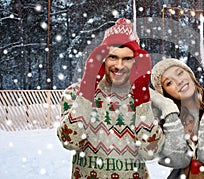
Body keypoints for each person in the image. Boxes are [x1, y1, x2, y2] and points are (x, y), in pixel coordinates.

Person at [57, 19, 189, 179]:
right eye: (113, 57)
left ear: (136, 61)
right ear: (102, 58)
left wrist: (141, 95)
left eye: (127, 58)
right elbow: (70, 141)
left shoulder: (149, 99)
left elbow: (149, 151)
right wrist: (88, 86)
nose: (119, 65)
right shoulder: (74, 93)